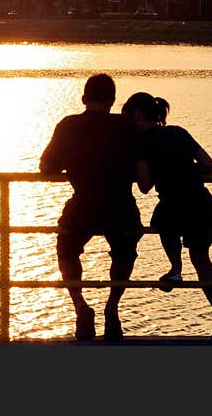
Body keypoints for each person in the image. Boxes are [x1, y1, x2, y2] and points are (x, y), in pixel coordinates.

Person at [40, 73, 143, 342]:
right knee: (125, 252)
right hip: (120, 204)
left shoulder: (68, 126)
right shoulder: (127, 126)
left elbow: (46, 166)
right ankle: (112, 307)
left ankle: (81, 306)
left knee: (66, 248)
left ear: (84, 98)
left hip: (83, 203)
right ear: (112, 100)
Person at [121, 92, 212, 339]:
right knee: (202, 259)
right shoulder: (179, 132)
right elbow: (209, 165)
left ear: (136, 114)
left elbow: (145, 185)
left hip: (173, 208)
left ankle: (175, 267)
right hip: (201, 205)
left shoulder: (141, 141)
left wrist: (153, 170)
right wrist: (184, 169)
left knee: (159, 220)